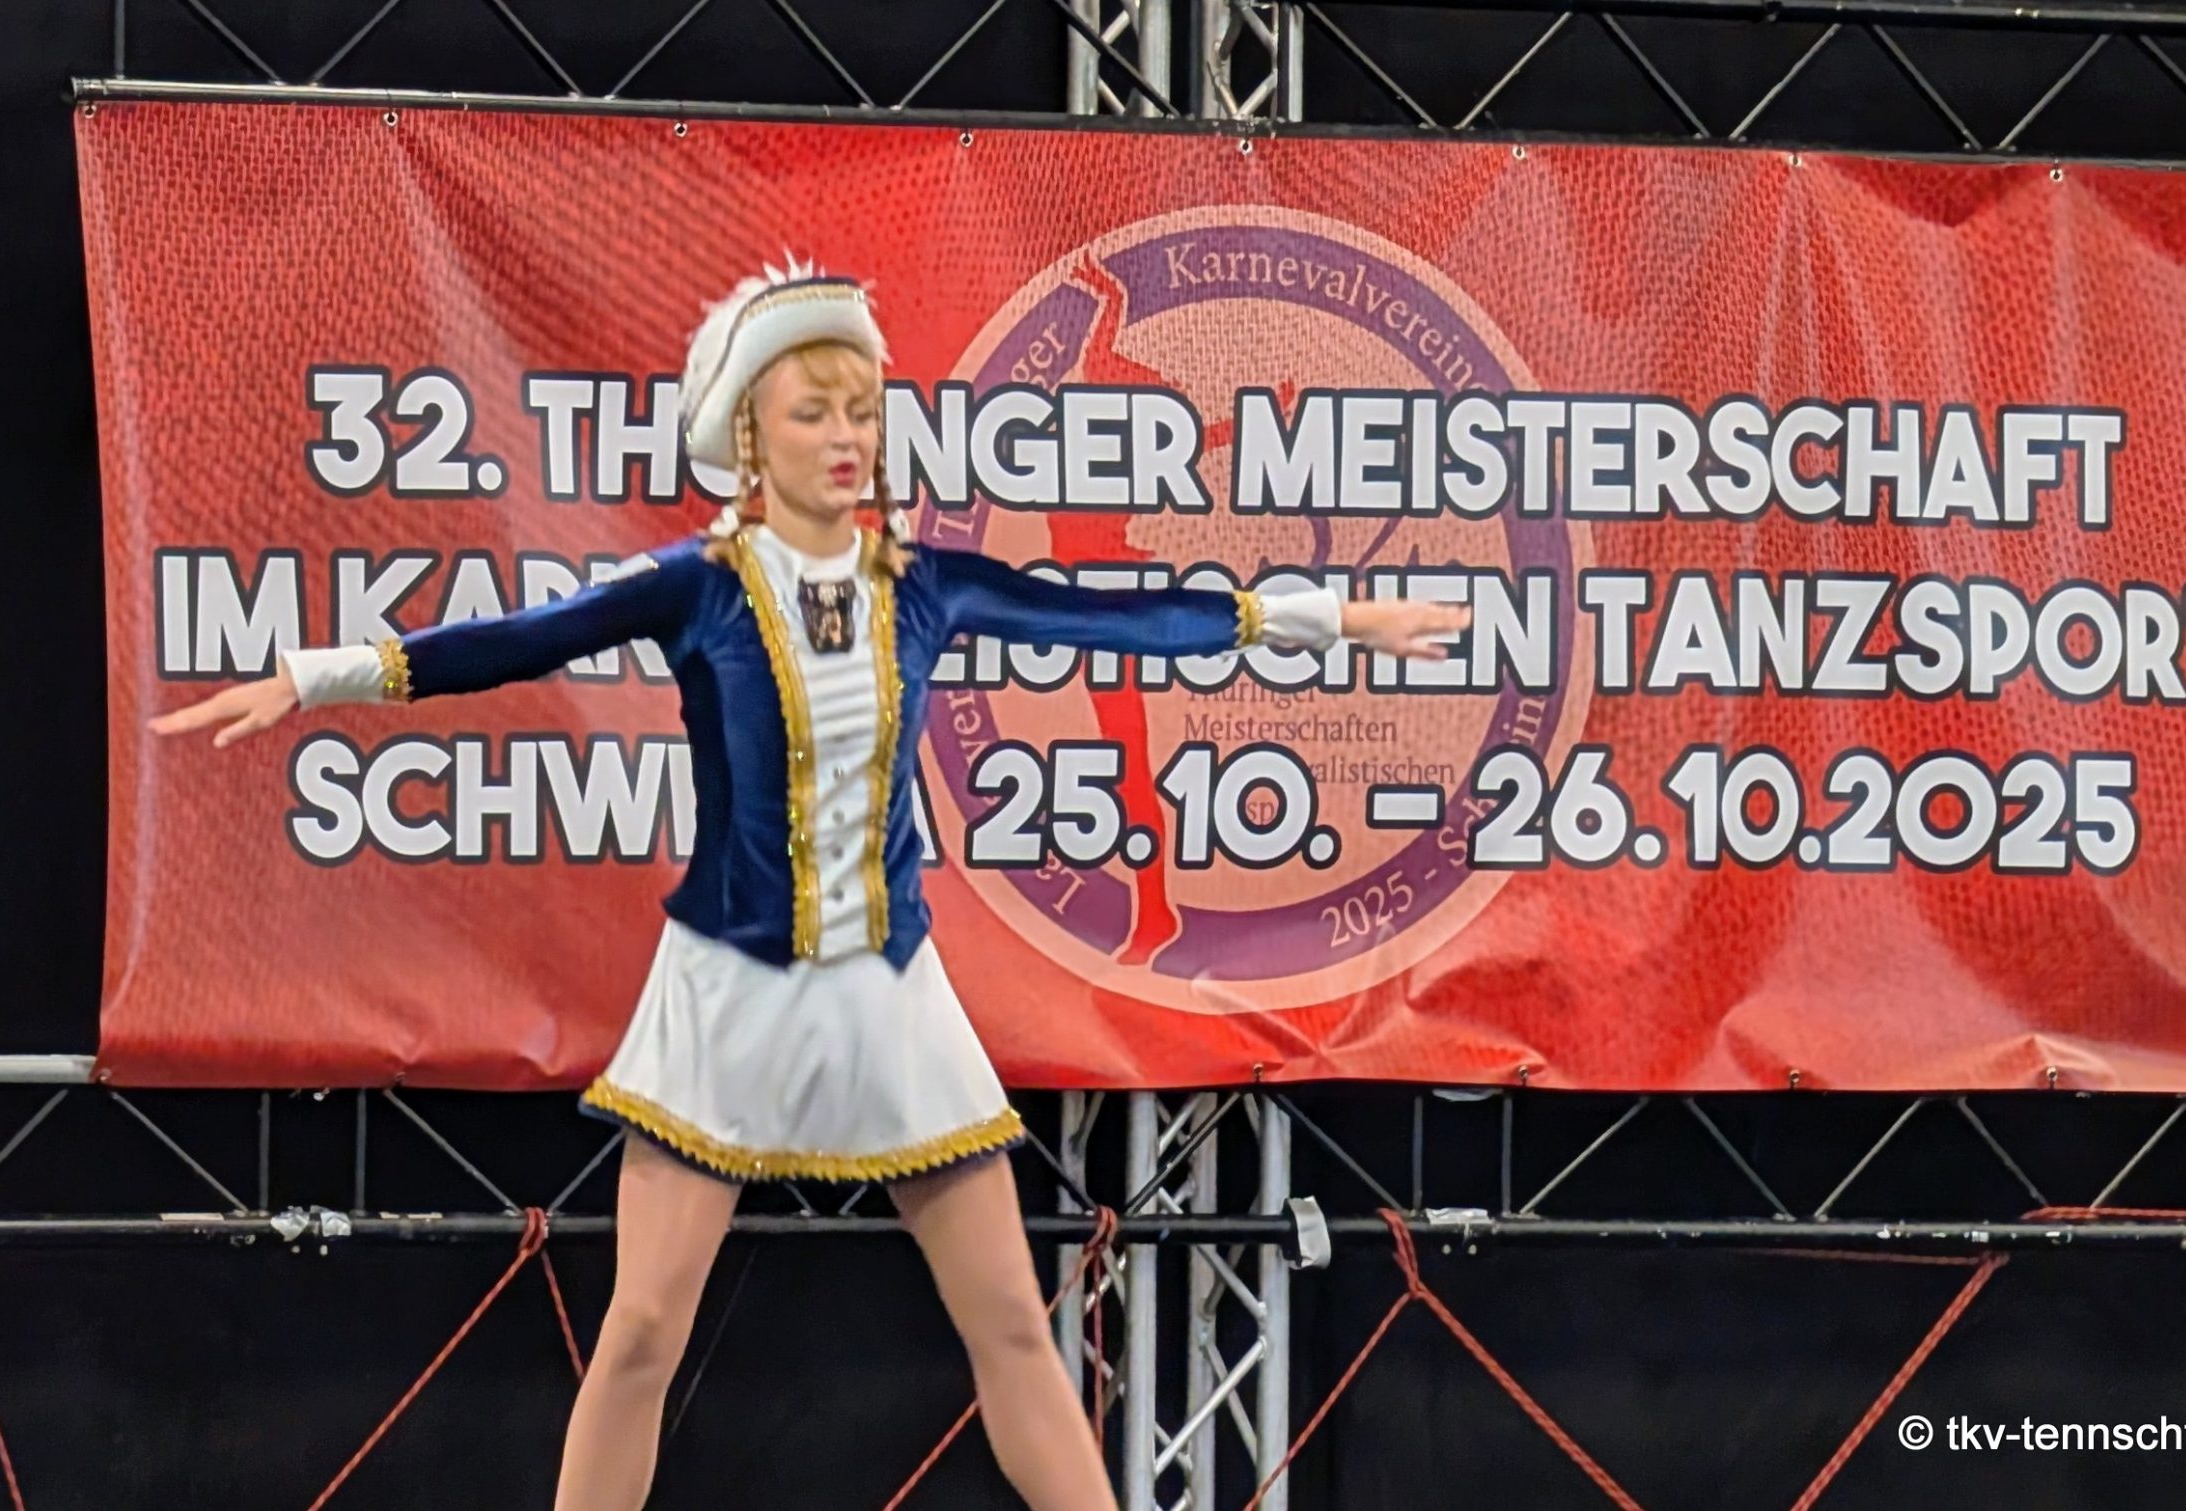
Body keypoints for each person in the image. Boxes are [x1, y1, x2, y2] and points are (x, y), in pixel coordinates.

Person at [150, 262, 1469, 1511]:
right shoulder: (698, 590)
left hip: (889, 990)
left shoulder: (923, 589)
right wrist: (316, 678)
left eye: (862, 410)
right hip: (729, 986)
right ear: (748, 435)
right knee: (643, 1329)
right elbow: (516, 639)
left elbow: (1114, 615)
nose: (847, 436)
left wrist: (1331, 620)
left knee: (1016, 1324)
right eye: (812, 411)